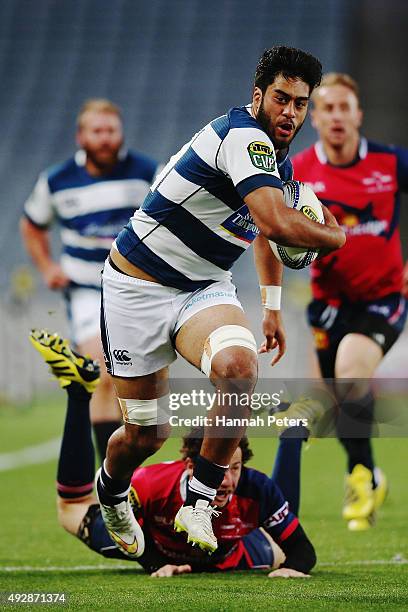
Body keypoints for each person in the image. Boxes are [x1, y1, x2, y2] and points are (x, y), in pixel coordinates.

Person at [97, 45, 346, 557]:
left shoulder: (278, 164)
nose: (290, 113)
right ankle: (112, 490)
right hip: (136, 288)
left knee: (239, 368)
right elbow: (278, 223)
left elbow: (263, 232)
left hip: (203, 286)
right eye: (281, 98)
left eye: (301, 103)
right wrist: (334, 237)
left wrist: (272, 306)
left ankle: (200, 498)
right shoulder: (242, 137)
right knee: (146, 435)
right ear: (258, 96)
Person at [29, 328, 320, 578]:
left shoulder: (254, 486)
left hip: (229, 551)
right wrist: (159, 563)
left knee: (279, 542)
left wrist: (295, 566)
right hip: (155, 542)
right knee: (73, 509)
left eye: (235, 467)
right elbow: (130, 529)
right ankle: (79, 393)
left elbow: (302, 552)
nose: (229, 479)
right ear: (191, 465)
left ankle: (292, 431)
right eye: (222, 467)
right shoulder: (152, 484)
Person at [291, 73, 408, 530]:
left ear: (358, 114)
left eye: (345, 107)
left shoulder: (390, 162)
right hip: (328, 303)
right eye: (328, 109)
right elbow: (269, 231)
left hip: (382, 298)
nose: (337, 116)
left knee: (350, 371)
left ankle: (358, 478)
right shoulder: (298, 171)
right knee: (336, 400)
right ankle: (370, 472)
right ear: (314, 118)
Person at [20, 99, 159, 459]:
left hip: (134, 287)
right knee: (100, 370)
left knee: (135, 379)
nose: (105, 139)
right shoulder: (57, 180)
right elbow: (32, 225)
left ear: (120, 133)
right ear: (81, 136)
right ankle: (110, 474)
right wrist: (47, 266)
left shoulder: (146, 172)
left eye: (111, 131)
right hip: (84, 288)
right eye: (97, 131)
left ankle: (127, 467)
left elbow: (169, 217)